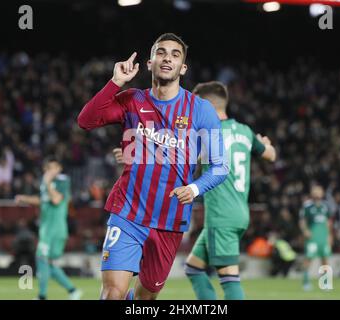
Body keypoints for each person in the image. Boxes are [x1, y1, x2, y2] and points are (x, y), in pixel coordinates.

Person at [77, 33, 229, 300]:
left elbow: (219, 166)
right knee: (113, 292)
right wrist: (115, 83)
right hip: (128, 212)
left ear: (183, 67)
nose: (167, 58)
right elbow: (86, 120)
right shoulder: (132, 100)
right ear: (150, 63)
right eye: (161, 52)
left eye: (174, 54)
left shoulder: (200, 110)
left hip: (169, 220)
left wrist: (194, 188)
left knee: (145, 299)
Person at [184, 81, 276, 300]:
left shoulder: (208, 133)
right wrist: (265, 143)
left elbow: (184, 160)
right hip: (239, 212)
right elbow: (271, 155)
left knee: (229, 280)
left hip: (221, 216)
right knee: (193, 269)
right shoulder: (244, 131)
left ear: (204, 104)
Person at [15, 157, 82, 300]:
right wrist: (25, 199)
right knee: (48, 264)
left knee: (41, 259)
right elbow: (42, 200)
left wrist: (47, 182)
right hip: (48, 229)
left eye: (52, 168)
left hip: (54, 229)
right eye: (47, 168)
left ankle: (42, 296)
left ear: (58, 168)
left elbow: (56, 199)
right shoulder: (46, 184)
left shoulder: (62, 181)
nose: (49, 171)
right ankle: (73, 291)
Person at [299, 185, 333, 291]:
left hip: (323, 236)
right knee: (308, 259)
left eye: (319, 191)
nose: (317, 193)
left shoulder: (325, 206)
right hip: (313, 237)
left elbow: (328, 222)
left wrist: (329, 235)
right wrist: (305, 231)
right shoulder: (307, 206)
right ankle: (305, 282)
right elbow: (302, 220)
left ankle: (325, 283)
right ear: (312, 193)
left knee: (325, 259)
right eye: (315, 191)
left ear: (322, 193)